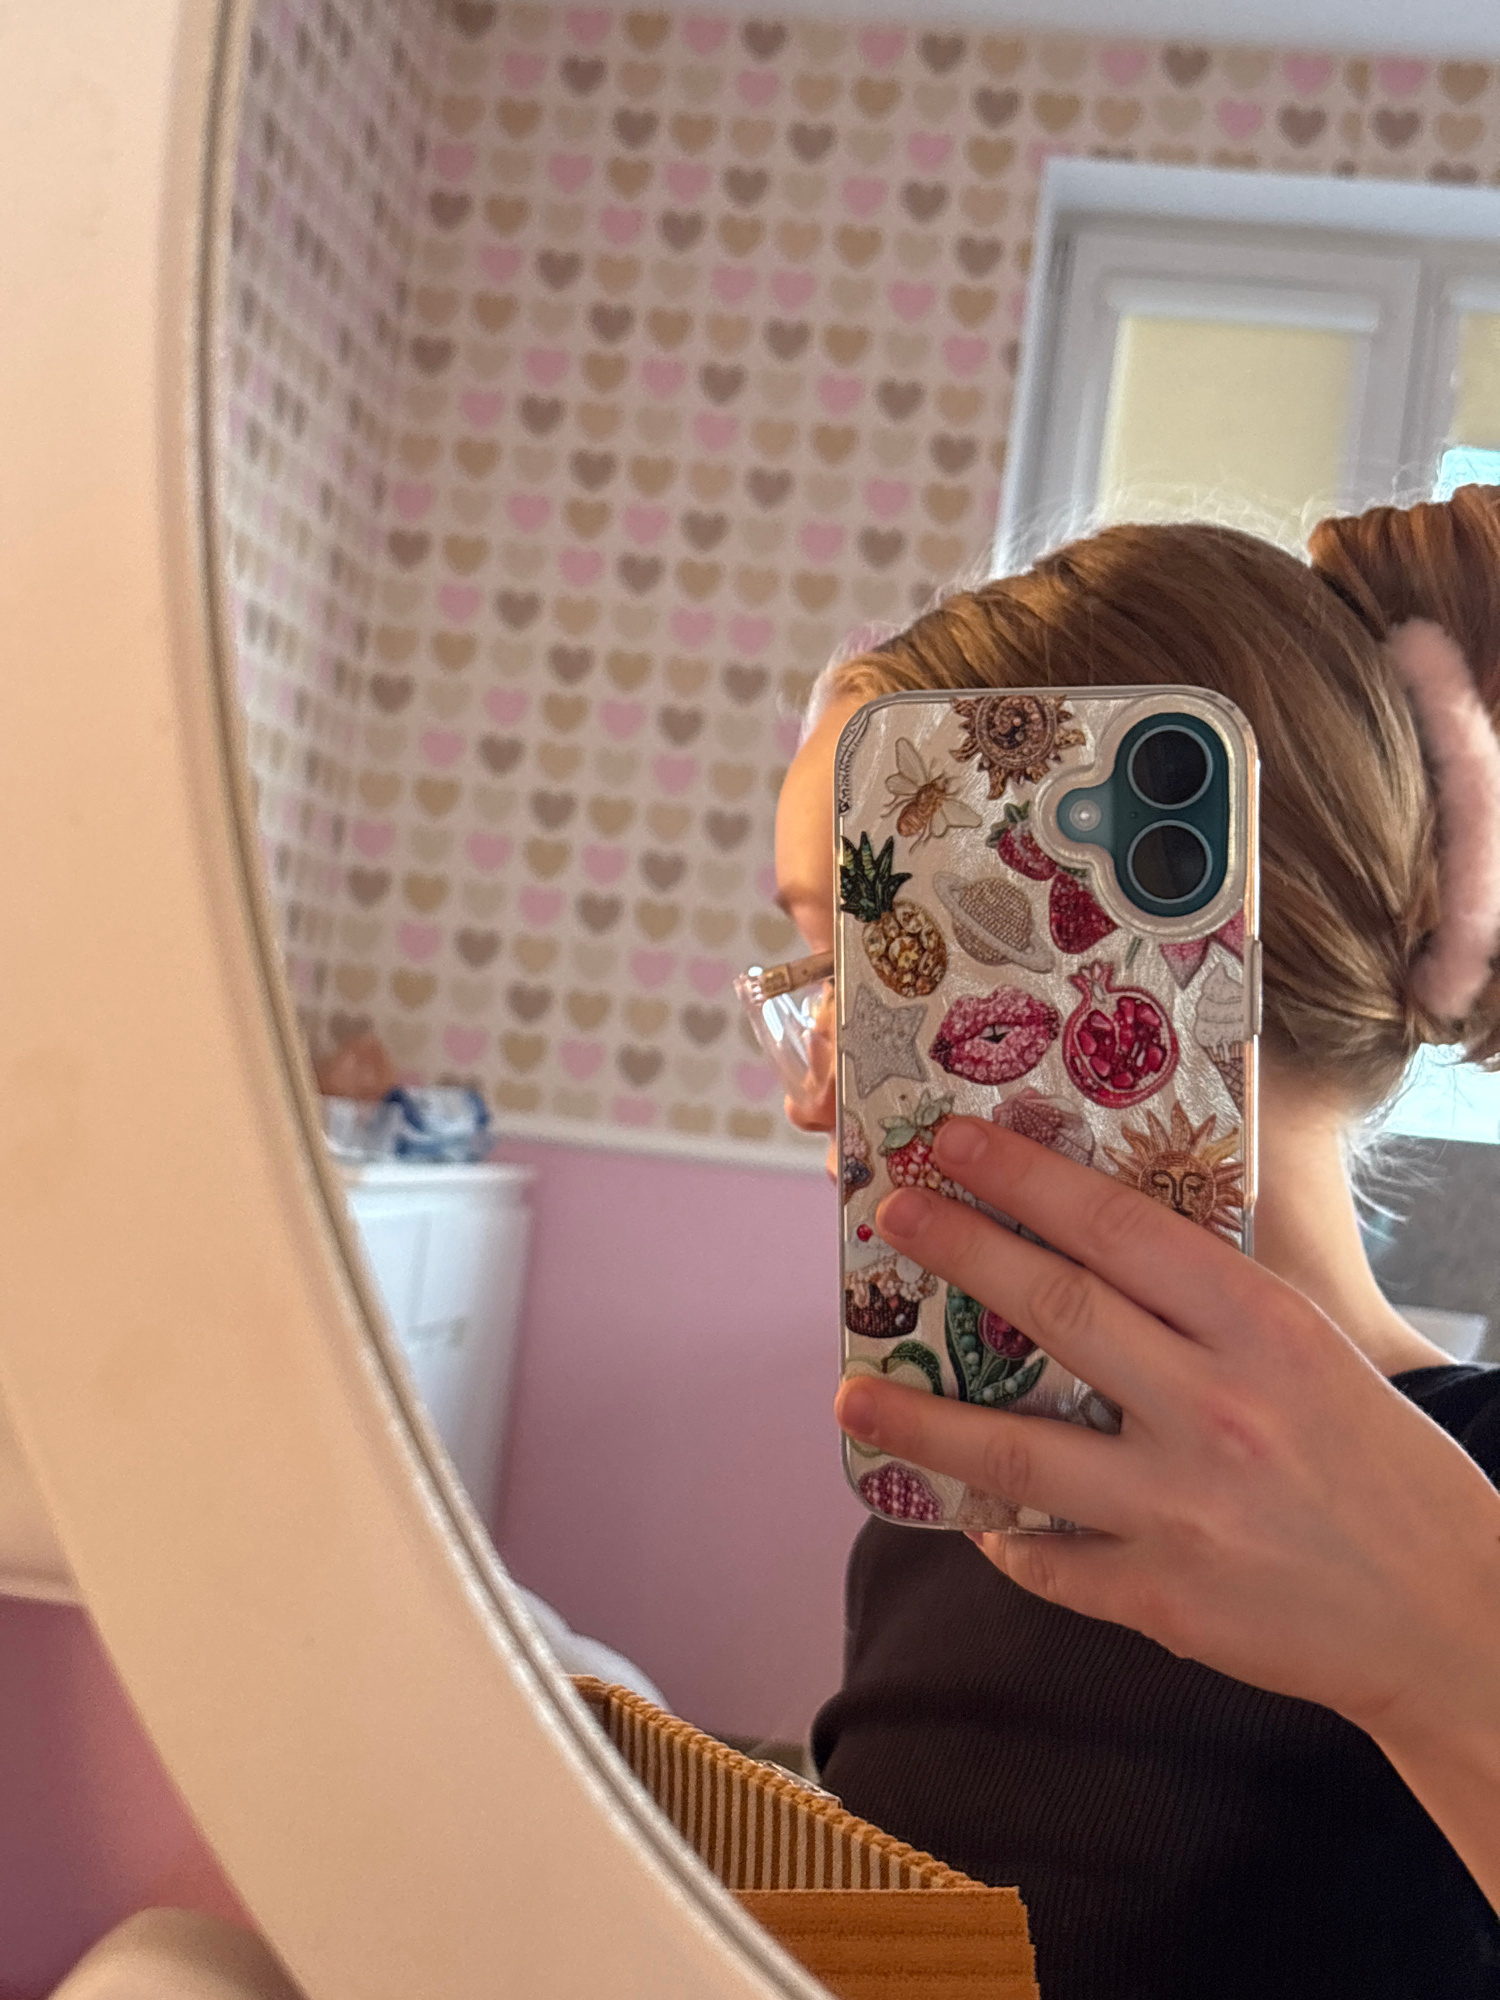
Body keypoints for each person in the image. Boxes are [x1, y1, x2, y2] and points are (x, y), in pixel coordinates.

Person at [761, 493, 1500, 1998]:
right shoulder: (959, 1503)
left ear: (1142, 945)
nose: (816, 1095)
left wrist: (1449, 1648)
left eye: (875, 967)